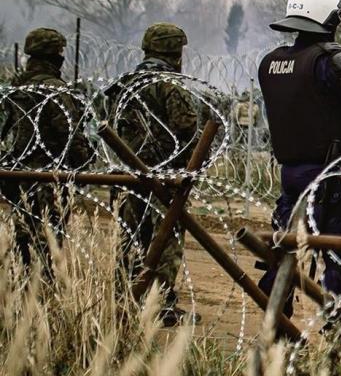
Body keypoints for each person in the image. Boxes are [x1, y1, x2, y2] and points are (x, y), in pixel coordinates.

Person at [256, 0, 341, 312]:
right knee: (338, 258)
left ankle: (276, 328)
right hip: (334, 176)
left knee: (286, 251)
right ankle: (336, 331)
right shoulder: (332, 60)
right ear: (326, 20)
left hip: (291, 174)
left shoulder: (271, 63)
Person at [109, 22, 202, 324]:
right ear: (175, 52)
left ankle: (124, 296)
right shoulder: (168, 82)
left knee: (130, 235)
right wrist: (192, 164)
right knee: (165, 239)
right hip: (164, 173)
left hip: (128, 171)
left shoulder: (125, 83)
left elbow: (111, 125)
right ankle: (160, 303)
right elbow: (187, 126)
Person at [0, 27, 94, 267]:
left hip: (15, 172)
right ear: (55, 56)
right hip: (47, 174)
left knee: (22, 232)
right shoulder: (55, 89)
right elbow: (70, 135)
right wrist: (85, 162)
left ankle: (19, 287)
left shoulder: (16, 86)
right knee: (47, 238)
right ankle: (40, 290)